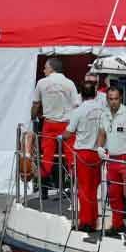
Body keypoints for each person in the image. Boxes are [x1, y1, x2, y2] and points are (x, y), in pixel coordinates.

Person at [99, 87, 126, 237]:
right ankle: (117, 225)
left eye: (116, 99)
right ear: (107, 99)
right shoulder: (104, 115)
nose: (113, 102)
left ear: (121, 99)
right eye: (110, 99)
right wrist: (99, 147)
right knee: (113, 194)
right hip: (112, 159)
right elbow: (102, 133)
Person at [31, 57, 80, 188]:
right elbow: (76, 105)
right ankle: (75, 181)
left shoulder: (41, 83)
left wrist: (33, 116)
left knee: (47, 156)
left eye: (45, 68)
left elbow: (36, 104)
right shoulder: (69, 83)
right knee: (70, 155)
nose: (43, 70)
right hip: (67, 125)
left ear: (52, 68)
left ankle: (42, 184)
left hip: (49, 124)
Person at [65, 82, 106, 232]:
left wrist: (60, 137)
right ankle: (94, 219)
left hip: (83, 152)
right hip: (98, 152)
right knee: (94, 188)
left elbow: (69, 132)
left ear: (81, 95)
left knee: (84, 189)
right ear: (95, 94)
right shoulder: (102, 110)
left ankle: (86, 222)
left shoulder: (78, 111)